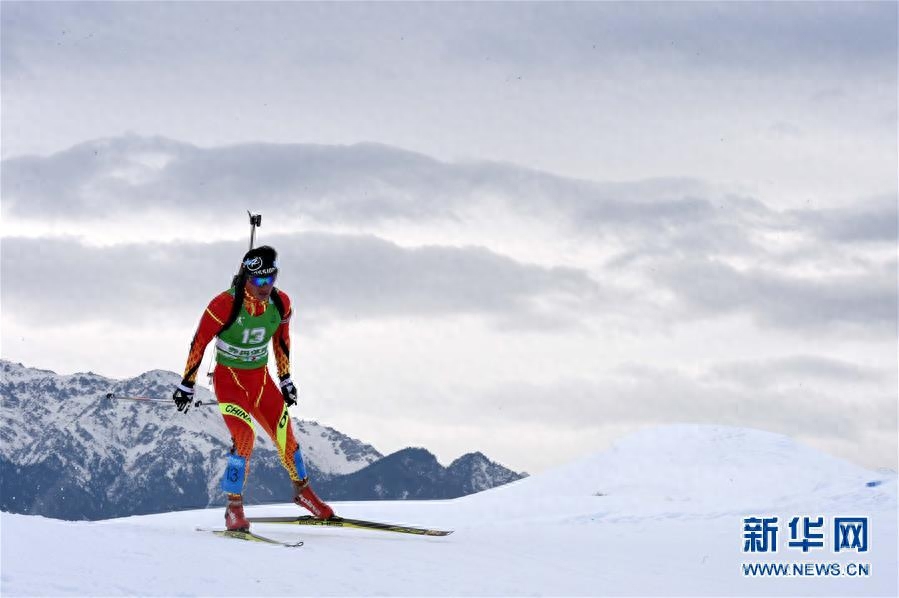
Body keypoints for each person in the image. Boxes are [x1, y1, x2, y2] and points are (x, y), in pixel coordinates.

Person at [172, 245, 334, 531]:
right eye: (259, 280)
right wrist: (187, 384)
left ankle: (303, 493)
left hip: (260, 380)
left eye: (271, 278)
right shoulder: (223, 304)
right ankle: (233, 508)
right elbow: (199, 342)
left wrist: (285, 379)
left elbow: (281, 342)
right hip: (229, 381)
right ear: (246, 277)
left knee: (286, 435)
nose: (265, 286)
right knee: (244, 437)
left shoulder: (281, 303)